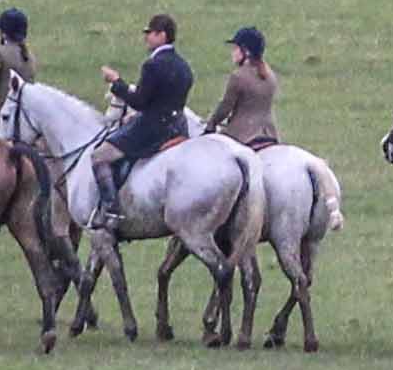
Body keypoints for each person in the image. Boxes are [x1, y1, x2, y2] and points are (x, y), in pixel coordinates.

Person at [91, 12, 194, 231]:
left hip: (153, 129)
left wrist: (116, 83)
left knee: (99, 156)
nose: (146, 37)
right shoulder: (184, 66)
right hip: (178, 127)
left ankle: (110, 209)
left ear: (162, 35)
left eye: (151, 33)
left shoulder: (153, 65)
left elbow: (139, 101)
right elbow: (164, 100)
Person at [203, 26, 281, 149]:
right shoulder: (270, 75)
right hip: (270, 133)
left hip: (242, 136)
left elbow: (225, 107)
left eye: (236, 48)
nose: (233, 53)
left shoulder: (238, 76)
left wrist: (211, 124)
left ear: (246, 52)